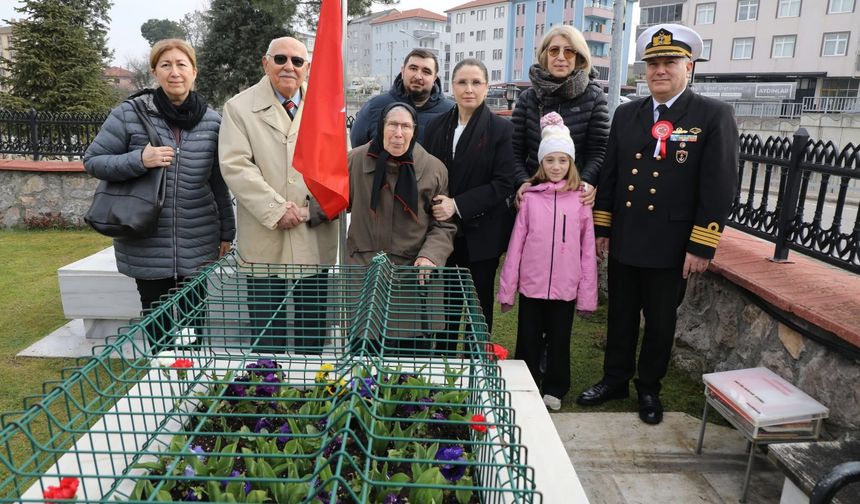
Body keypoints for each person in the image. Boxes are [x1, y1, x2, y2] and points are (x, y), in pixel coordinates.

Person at [577, 24, 739, 425]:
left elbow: (719, 186)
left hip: (672, 243)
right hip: (628, 236)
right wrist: (603, 227)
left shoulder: (712, 115)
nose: (659, 71)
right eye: (652, 64)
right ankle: (614, 379)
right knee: (621, 315)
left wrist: (702, 245)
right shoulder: (627, 113)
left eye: (669, 63)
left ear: (689, 67)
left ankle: (648, 387)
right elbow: (612, 174)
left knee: (661, 322)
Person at [84, 39, 234, 351]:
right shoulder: (129, 114)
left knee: (195, 317)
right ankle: (162, 379)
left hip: (198, 237)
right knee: (158, 319)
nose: (175, 72)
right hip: (145, 237)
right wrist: (140, 159)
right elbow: (94, 161)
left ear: (194, 72)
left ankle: (192, 378)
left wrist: (227, 232)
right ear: (155, 72)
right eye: (166, 65)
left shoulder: (213, 121)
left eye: (182, 65)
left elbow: (219, 182)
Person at [219, 36, 338, 354]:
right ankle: (265, 393)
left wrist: (310, 210)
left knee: (312, 328)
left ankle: (310, 394)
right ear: (265, 62)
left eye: (297, 61)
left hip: (313, 229)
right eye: (280, 59)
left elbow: (338, 165)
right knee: (266, 328)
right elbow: (236, 166)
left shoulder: (324, 106)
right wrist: (276, 209)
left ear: (307, 68)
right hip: (265, 231)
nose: (289, 66)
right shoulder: (238, 108)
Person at [497, 112, 598, 411]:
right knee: (528, 338)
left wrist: (587, 295)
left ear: (571, 163)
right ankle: (525, 382)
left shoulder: (580, 201)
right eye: (550, 160)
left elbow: (587, 250)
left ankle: (555, 387)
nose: (556, 166)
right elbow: (516, 245)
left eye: (563, 160)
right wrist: (507, 288)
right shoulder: (529, 198)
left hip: (565, 288)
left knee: (559, 340)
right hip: (532, 284)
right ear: (541, 163)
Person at [347, 103, 456, 352]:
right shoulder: (354, 161)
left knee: (409, 366)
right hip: (365, 273)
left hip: (411, 277)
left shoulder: (433, 168)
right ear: (381, 127)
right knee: (363, 361)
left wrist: (431, 255)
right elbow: (331, 201)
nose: (398, 133)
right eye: (392, 125)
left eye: (405, 126)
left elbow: (444, 225)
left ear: (414, 130)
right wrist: (303, 211)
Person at [424, 58, 515, 350]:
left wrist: (458, 204)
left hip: (483, 231)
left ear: (487, 87)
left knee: (478, 306)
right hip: (445, 232)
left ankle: (477, 363)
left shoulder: (501, 129)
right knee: (446, 307)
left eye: (476, 82)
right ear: (452, 86)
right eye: (462, 82)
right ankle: (446, 363)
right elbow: (427, 173)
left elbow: (503, 183)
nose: (469, 89)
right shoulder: (438, 125)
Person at [512, 25, 610, 207]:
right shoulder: (528, 98)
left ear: (579, 57)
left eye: (569, 51)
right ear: (545, 55)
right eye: (554, 50)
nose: (561, 57)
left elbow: (599, 151)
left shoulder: (594, 97)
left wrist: (587, 182)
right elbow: (515, 150)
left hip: (576, 196)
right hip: (534, 196)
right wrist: (522, 181)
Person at [350, 49, 454, 147]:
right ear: (403, 71)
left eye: (426, 72)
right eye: (413, 68)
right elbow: (358, 149)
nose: (418, 76)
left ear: (434, 78)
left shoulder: (452, 112)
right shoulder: (374, 106)